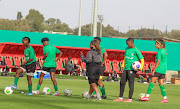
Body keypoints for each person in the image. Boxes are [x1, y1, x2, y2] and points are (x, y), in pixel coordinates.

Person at [114, 38, 144, 102]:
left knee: (130, 83)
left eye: (128, 44)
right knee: (122, 82)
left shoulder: (136, 50)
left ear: (131, 43)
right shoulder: (127, 49)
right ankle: (120, 97)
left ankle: (130, 98)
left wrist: (140, 68)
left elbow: (142, 59)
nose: (127, 45)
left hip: (132, 70)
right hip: (126, 69)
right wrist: (123, 66)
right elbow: (125, 58)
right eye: (126, 44)